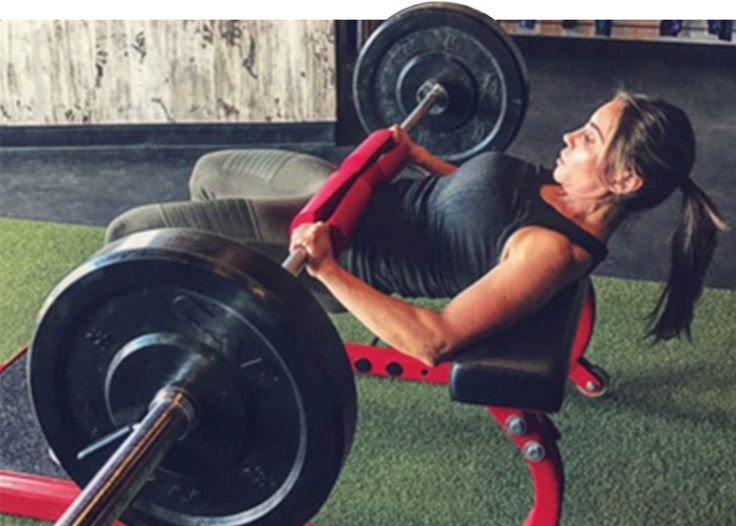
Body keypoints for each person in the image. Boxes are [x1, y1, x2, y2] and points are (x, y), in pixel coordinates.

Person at [107, 91, 728, 366]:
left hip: (334, 241)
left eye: (590, 138)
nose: (570, 136)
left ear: (625, 182)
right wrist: (425, 162)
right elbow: (485, 208)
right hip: (351, 186)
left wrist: (325, 267)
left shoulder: (550, 252)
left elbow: (436, 340)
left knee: (129, 231)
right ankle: (207, 293)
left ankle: (163, 345)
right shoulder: (567, 193)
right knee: (211, 170)